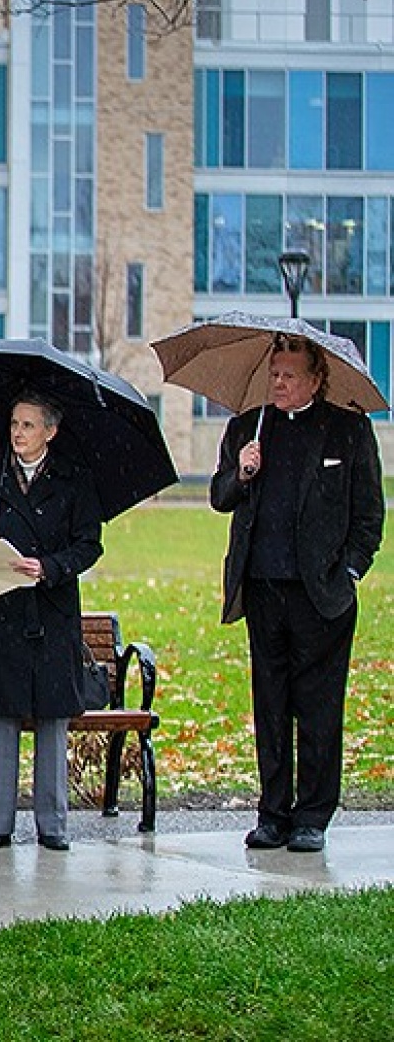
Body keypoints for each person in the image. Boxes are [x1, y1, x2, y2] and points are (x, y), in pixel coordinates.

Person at [212, 334, 384, 855]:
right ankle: (273, 814)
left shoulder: (348, 430)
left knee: (318, 708)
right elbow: (220, 497)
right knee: (271, 705)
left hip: (323, 596)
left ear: (316, 379)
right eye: (275, 373)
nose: (279, 382)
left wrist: (350, 571)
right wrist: (242, 473)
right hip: (263, 589)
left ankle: (312, 815)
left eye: (290, 375)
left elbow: (369, 515)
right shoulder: (249, 428)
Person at [0, 392, 103, 853]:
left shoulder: (74, 480)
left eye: (27, 425)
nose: (17, 433)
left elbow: (89, 545)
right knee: (1, 713)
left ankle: (53, 824)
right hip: (1, 610)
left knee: (51, 715)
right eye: (14, 424)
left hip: (52, 614)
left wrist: (48, 567)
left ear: (50, 431)